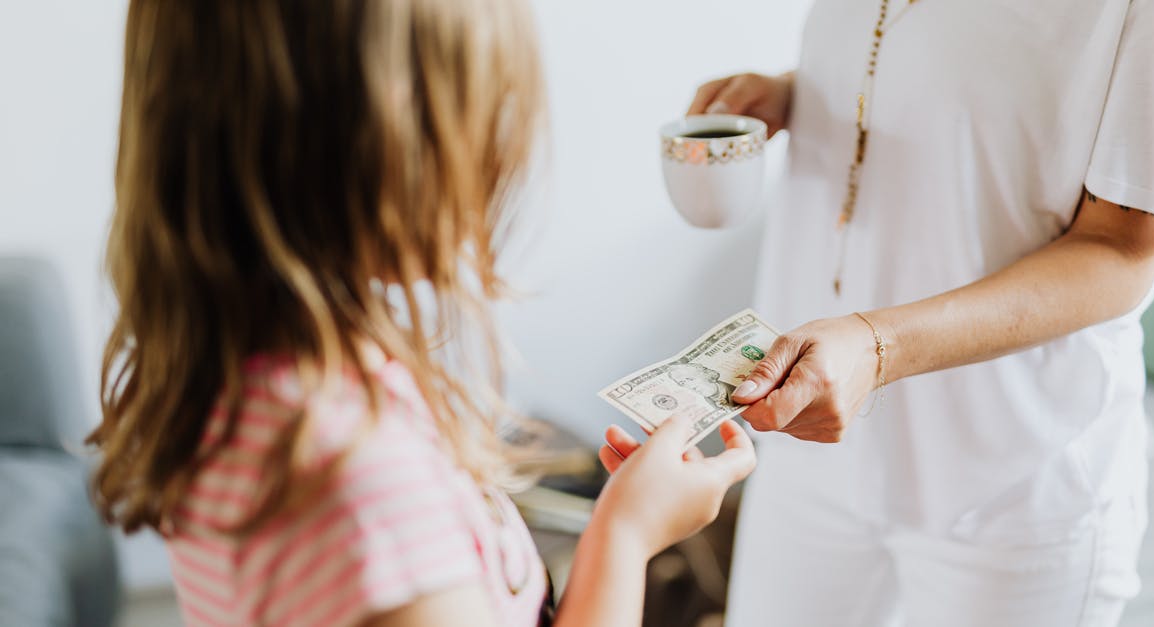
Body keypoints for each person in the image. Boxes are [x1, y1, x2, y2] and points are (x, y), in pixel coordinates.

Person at [85, 1, 756, 626]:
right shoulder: (358, 487)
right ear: (359, 139)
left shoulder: (230, 370)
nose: (494, 154)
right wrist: (626, 535)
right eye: (472, 110)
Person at [682, 1, 1154, 625]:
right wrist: (800, 92)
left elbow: (1122, 247)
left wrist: (877, 347)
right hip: (809, 453)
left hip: (1013, 482)